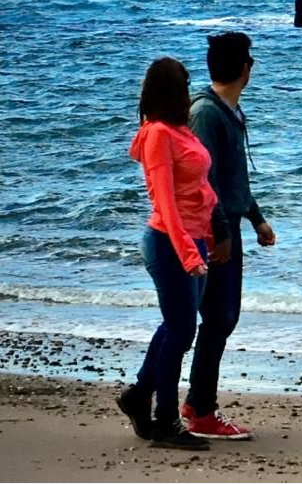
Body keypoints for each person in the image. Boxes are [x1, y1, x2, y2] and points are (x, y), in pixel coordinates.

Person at [117, 57, 214, 451]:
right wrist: (189, 253)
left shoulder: (180, 130)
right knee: (181, 330)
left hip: (196, 239)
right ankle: (165, 421)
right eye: (184, 83)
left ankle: (139, 394)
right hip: (169, 242)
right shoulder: (158, 134)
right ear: (171, 90)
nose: (189, 89)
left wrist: (209, 235)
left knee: (177, 325)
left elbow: (199, 189)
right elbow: (166, 203)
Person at [183, 31, 276, 440]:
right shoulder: (206, 113)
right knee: (217, 317)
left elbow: (234, 179)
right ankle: (200, 408)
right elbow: (206, 180)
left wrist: (257, 219)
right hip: (212, 230)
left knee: (222, 317)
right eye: (250, 60)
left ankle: (195, 402)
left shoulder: (229, 111)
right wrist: (220, 232)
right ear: (244, 68)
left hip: (229, 225)